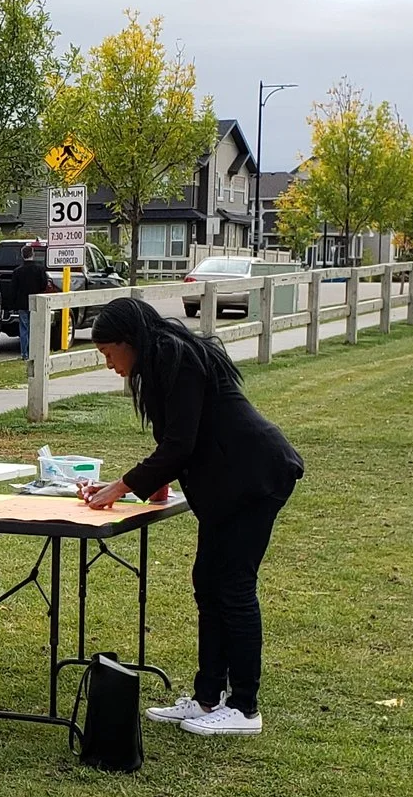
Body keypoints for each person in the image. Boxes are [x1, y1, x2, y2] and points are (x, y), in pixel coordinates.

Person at [81, 298, 303, 737]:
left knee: (233, 588)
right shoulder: (160, 362)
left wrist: (121, 487)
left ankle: (243, 708)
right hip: (227, 486)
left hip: (255, 477)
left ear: (130, 341)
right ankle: (206, 700)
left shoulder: (175, 358)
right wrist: (153, 484)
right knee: (208, 582)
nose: (109, 365)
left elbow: (181, 443)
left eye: (108, 354)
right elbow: (180, 442)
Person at [0, 252, 52, 358]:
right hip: (36, 301)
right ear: (33, 254)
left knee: (24, 328)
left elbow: (13, 288)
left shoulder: (18, 271)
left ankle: (24, 353)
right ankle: (33, 351)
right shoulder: (39, 269)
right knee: (34, 327)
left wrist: (12, 303)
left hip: (22, 303)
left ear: (22, 255)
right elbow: (44, 284)